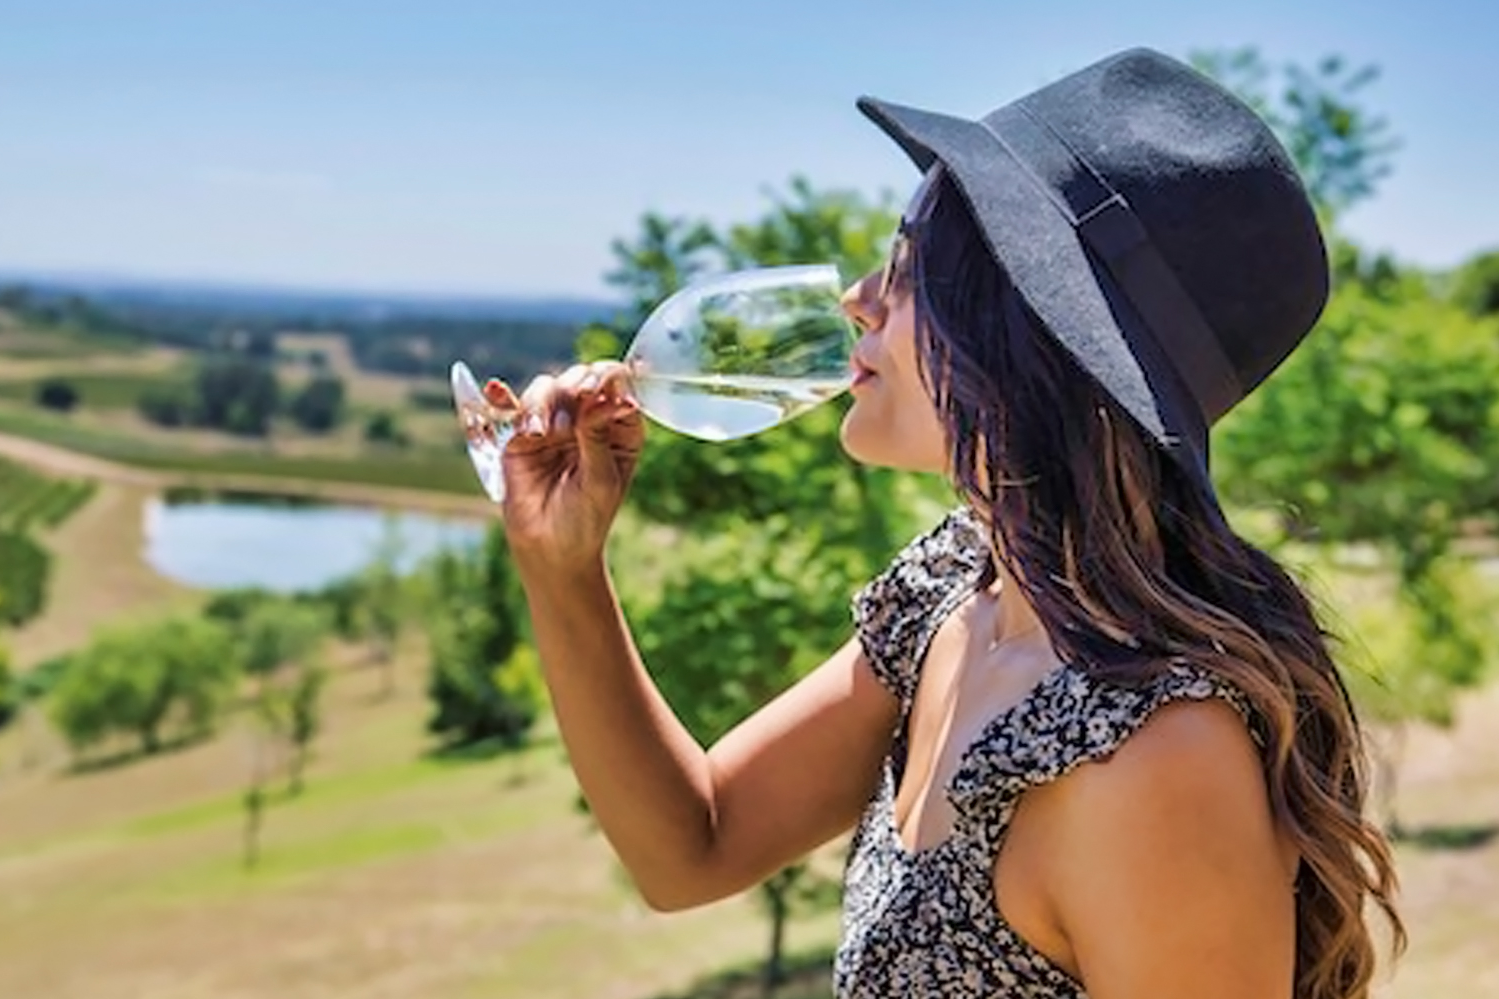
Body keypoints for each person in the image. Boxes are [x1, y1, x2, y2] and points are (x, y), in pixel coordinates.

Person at [483, 48, 1403, 999]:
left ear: (1031, 335)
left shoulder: (1155, 755)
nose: (857, 299)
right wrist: (564, 567)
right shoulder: (955, 597)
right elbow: (693, 848)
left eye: (910, 268)